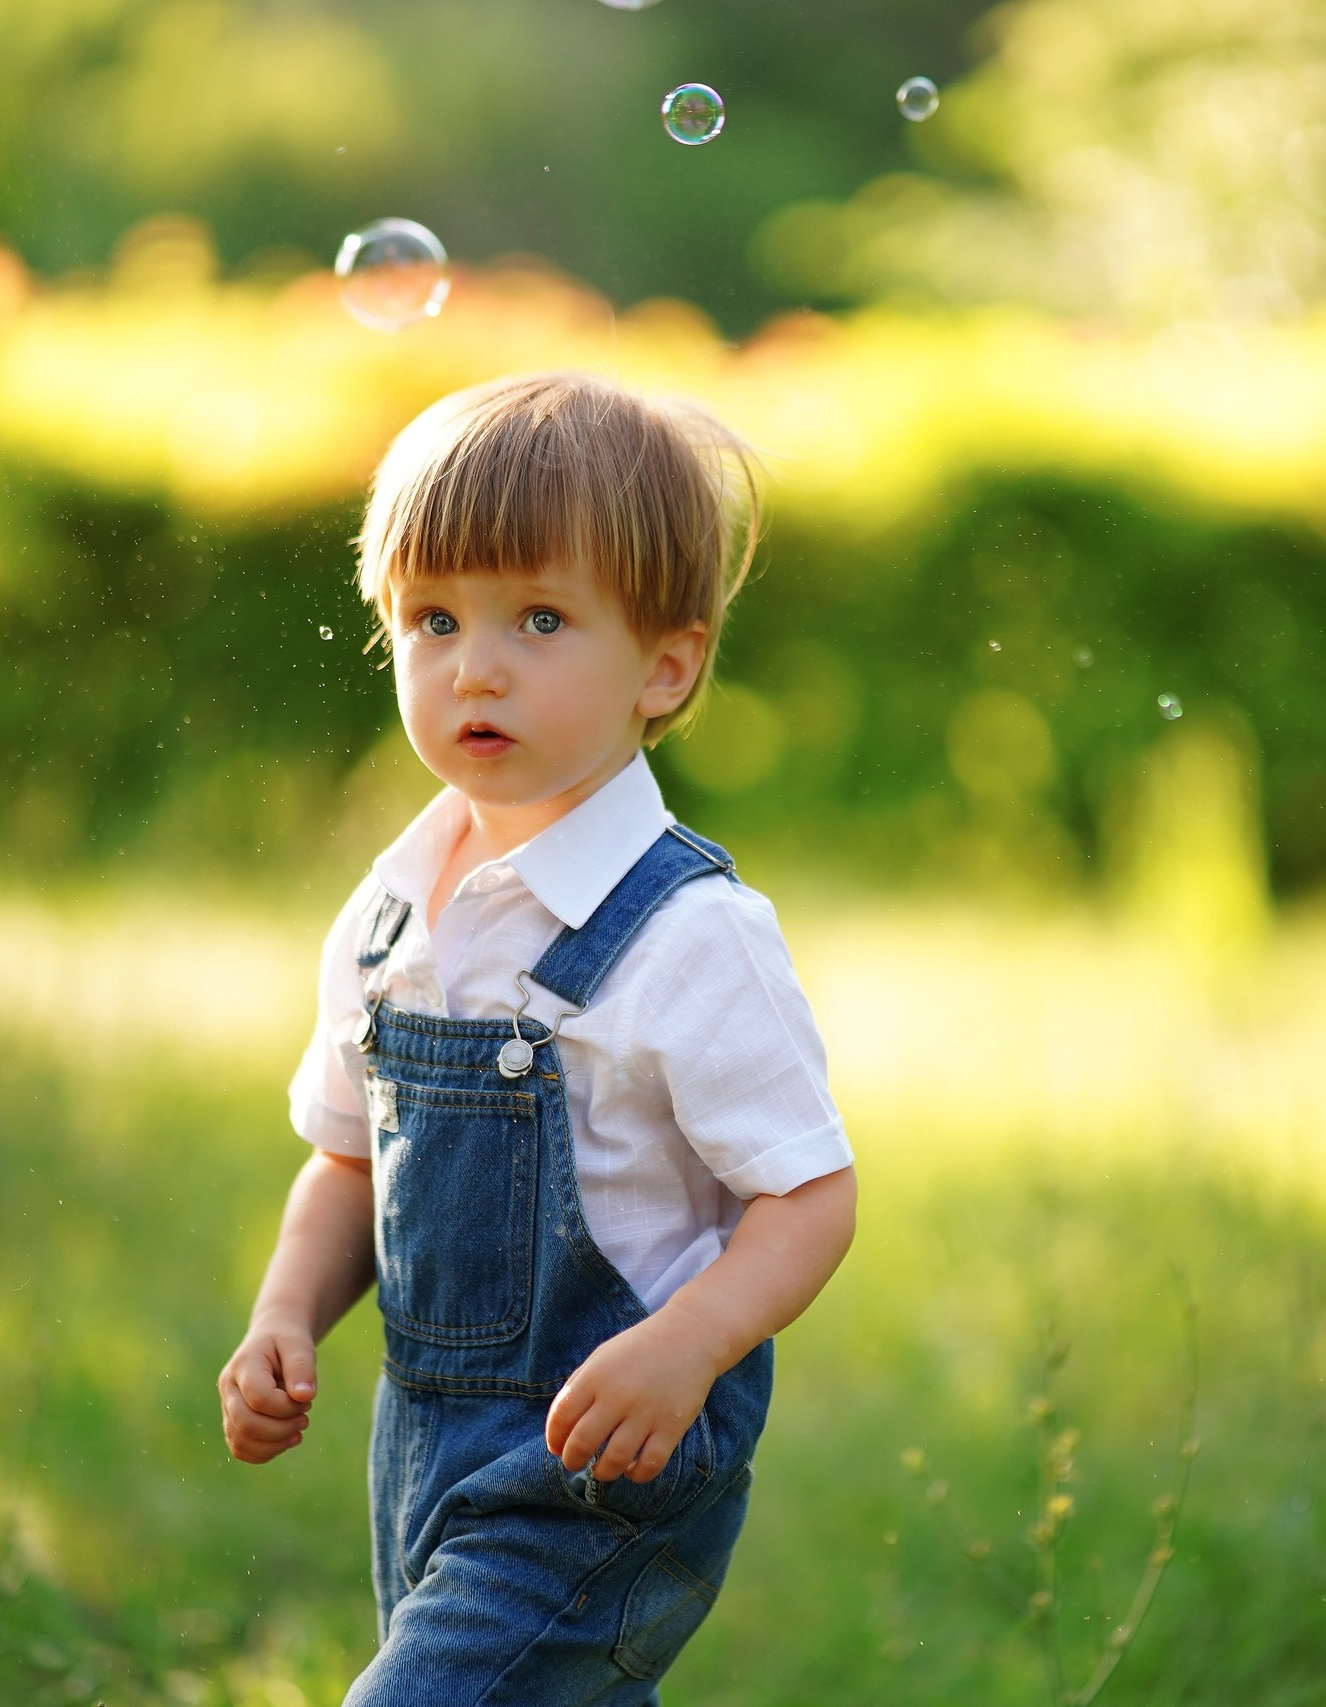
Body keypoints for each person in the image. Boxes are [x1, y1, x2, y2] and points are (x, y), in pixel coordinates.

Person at [217, 371, 858, 1705]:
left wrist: (687, 1347)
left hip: (608, 1465)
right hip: (428, 1441)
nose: (477, 665)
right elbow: (349, 1160)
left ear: (665, 666)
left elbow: (807, 1195)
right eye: (434, 618)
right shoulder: (393, 911)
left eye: (542, 618)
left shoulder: (688, 935)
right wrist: (287, 1314)